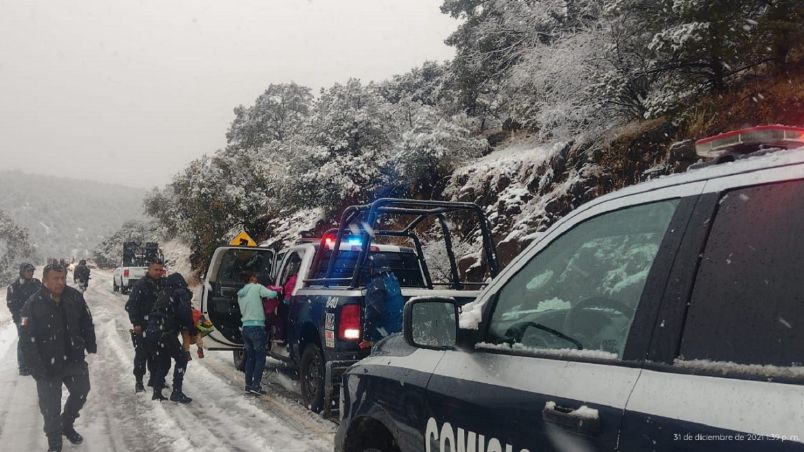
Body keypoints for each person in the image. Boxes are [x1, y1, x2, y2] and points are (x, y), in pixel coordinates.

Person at [20, 263, 96, 452]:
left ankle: (66, 424)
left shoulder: (74, 297)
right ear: (45, 280)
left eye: (63, 278)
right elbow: (26, 339)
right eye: (56, 278)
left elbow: (87, 321)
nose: (60, 282)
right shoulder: (32, 304)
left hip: (73, 359)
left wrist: (90, 345)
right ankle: (54, 443)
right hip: (46, 365)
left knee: (81, 391)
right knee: (50, 409)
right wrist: (35, 367)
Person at [145, 273, 195, 403]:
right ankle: (177, 392)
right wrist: (192, 329)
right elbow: (185, 314)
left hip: (152, 331)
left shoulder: (164, 293)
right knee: (182, 358)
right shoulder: (180, 292)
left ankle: (157, 392)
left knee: (163, 362)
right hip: (165, 332)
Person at [125, 259, 165, 393]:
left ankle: (154, 378)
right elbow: (132, 305)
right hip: (142, 325)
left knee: (157, 354)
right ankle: (139, 381)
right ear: (149, 269)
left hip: (158, 326)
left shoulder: (163, 284)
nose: (159, 272)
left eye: (161, 270)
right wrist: (136, 322)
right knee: (142, 355)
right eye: (156, 269)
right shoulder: (140, 285)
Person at [237, 271, 277, 395]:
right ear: (252, 278)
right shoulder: (256, 287)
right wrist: (277, 290)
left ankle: (248, 385)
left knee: (250, 357)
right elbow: (271, 294)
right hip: (257, 327)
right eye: (255, 276)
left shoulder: (241, 293)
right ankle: (256, 385)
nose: (257, 278)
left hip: (246, 328)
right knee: (260, 358)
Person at [6, 262, 42, 376]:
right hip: (23, 319)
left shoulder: (36, 283)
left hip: (37, 317)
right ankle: (23, 366)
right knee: (24, 340)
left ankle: (37, 361)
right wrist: (20, 316)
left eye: (32, 271)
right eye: (28, 271)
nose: (30, 273)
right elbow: (11, 304)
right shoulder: (14, 287)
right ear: (22, 271)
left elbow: (43, 296)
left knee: (38, 338)